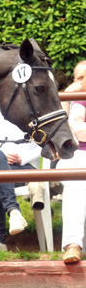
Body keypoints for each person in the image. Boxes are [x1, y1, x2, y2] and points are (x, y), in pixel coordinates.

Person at [0, 105, 43, 257]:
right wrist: (3, 155)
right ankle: (14, 212)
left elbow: (43, 143)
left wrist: (21, 158)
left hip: (22, 167)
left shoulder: (35, 104)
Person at [57, 92, 86, 263]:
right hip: (80, 155)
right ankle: (73, 244)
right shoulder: (82, 100)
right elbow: (76, 130)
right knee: (76, 182)